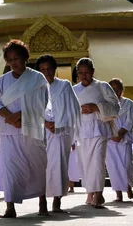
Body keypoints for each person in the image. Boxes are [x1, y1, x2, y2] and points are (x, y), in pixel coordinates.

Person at [0, 40, 49, 219]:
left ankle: (42, 201)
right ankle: (10, 206)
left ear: (25, 57)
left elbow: (42, 102)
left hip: (31, 128)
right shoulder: (3, 80)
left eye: (16, 58)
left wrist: (22, 117)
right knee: (10, 167)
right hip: (8, 130)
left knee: (37, 164)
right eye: (9, 60)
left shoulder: (37, 77)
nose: (13, 63)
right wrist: (9, 117)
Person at [35, 54, 81, 213]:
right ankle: (41, 201)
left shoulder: (64, 86)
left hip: (62, 132)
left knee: (59, 165)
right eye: (42, 70)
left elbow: (73, 108)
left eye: (49, 69)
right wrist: (44, 122)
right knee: (41, 166)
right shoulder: (35, 88)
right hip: (41, 132)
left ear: (55, 69)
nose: (46, 72)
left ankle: (57, 201)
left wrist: (59, 124)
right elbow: (31, 110)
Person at [73, 58, 120, 208]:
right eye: (80, 73)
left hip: (99, 128)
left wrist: (96, 107)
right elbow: (69, 110)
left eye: (87, 72)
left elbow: (115, 106)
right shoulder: (74, 90)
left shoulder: (103, 86)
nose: (83, 75)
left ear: (93, 71)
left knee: (98, 160)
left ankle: (99, 193)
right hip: (81, 130)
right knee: (85, 163)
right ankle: (90, 192)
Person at [105, 78, 133, 202]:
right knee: (114, 167)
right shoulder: (105, 104)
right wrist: (113, 135)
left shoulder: (129, 104)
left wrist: (120, 134)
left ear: (122, 90)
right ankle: (118, 193)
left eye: (118, 90)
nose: (115, 92)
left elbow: (130, 121)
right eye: (112, 90)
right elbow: (104, 121)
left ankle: (128, 187)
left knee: (127, 164)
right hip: (110, 140)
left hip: (124, 138)